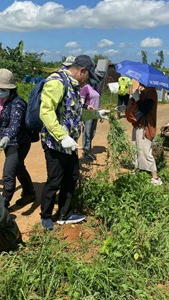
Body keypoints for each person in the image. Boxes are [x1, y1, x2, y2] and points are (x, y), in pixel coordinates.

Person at [39, 55, 109, 230]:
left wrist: (96, 114)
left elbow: (76, 114)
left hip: (70, 144)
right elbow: (46, 112)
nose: (88, 82)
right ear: (82, 71)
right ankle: (46, 215)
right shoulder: (57, 82)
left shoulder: (74, 86)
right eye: (88, 77)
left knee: (71, 177)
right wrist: (62, 137)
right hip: (55, 143)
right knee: (55, 180)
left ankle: (64, 213)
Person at [0, 68, 35, 209]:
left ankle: (3, 205)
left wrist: (7, 137)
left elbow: (15, 124)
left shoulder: (18, 103)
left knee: (8, 174)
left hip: (19, 143)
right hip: (7, 142)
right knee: (19, 167)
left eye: (3, 89)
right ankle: (29, 193)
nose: (0, 91)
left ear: (11, 89)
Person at [131, 84, 163, 186]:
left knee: (145, 151)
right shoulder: (144, 92)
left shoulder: (151, 93)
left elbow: (145, 109)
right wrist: (133, 98)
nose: (140, 83)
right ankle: (136, 169)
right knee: (135, 148)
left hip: (146, 126)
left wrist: (137, 99)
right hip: (138, 124)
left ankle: (155, 177)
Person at [80, 80, 101, 160]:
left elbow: (98, 101)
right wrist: (86, 106)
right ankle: (85, 152)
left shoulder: (96, 88)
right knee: (87, 133)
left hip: (95, 113)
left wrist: (100, 112)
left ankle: (88, 149)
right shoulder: (85, 88)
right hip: (88, 113)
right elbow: (81, 102)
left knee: (92, 132)